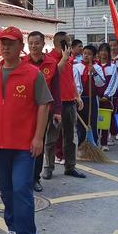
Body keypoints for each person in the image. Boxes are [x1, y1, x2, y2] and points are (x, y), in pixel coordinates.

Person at [0, 26, 52, 234]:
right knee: (6, 191)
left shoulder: (32, 74)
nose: (6, 47)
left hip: (23, 146)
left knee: (21, 189)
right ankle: (11, 226)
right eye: (3, 43)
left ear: (21, 47)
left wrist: (38, 137)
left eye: (11, 43)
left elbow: (44, 104)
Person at [43, 31, 86, 180]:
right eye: (67, 42)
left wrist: (77, 96)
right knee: (52, 137)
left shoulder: (68, 59)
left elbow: (70, 79)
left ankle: (70, 166)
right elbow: (54, 73)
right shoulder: (49, 59)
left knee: (70, 137)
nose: (70, 45)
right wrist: (64, 58)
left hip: (70, 102)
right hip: (56, 104)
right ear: (60, 44)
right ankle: (48, 167)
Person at [24, 31, 61, 192]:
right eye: (30, 43)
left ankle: (34, 178)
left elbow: (56, 89)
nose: (33, 46)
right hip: (24, 111)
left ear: (43, 44)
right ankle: (23, 177)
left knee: (38, 143)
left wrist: (57, 111)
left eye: (36, 43)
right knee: (24, 144)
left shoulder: (51, 64)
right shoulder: (22, 62)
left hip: (44, 111)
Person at [73, 45, 106, 146]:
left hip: (92, 99)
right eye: (85, 53)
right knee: (79, 124)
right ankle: (81, 146)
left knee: (92, 122)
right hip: (79, 99)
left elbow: (101, 83)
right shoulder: (76, 67)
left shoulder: (97, 67)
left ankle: (94, 144)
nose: (86, 56)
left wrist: (94, 73)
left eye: (89, 54)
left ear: (94, 56)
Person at [96, 43, 118, 151]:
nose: (103, 53)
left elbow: (114, 82)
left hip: (107, 98)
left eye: (105, 51)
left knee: (105, 119)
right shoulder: (95, 66)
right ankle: (96, 141)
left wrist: (107, 95)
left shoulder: (112, 67)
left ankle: (104, 143)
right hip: (96, 98)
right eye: (101, 51)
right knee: (96, 120)